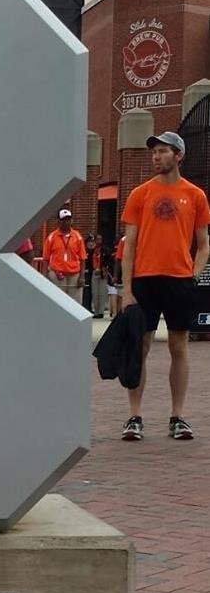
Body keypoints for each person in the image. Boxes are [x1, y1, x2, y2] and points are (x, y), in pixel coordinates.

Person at [119, 131, 210, 441]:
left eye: (162, 151)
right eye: (154, 152)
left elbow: (204, 244)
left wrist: (193, 276)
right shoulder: (139, 194)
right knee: (139, 347)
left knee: (178, 347)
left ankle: (178, 416)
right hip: (144, 281)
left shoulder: (195, 195)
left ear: (178, 155)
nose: (156, 157)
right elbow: (128, 246)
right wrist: (126, 289)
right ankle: (134, 416)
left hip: (179, 281)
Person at [42, 209, 86, 303]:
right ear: (59, 221)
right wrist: (45, 274)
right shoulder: (51, 237)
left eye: (68, 219)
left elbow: (82, 258)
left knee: (75, 302)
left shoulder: (77, 236)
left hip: (74, 273)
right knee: (58, 301)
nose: (67, 222)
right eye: (64, 219)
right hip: (57, 273)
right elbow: (45, 258)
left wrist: (82, 276)